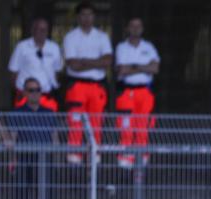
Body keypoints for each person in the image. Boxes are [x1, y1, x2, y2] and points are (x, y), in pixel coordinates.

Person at [62, 1, 112, 164]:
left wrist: (85, 61)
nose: (87, 18)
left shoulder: (102, 36)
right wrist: (96, 62)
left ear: (94, 17)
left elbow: (107, 61)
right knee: (75, 122)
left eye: (90, 15)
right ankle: (74, 159)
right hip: (77, 86)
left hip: (97, 86)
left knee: (96, 123)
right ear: (78, 17)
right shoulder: (70, 37)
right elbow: (73, 65)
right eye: (83, 15)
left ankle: (94, 157)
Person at [8, 78, 59, 199]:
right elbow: (12, 139)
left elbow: (55, 138)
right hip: (24, 161)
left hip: (44, 163)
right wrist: (12, 160)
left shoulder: (49, 113)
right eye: (31, 90)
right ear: (24, 92)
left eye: (37, 90)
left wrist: (56, 161)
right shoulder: (16, 113)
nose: (34, 93)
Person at [114, 17, 160, 168]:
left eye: (138, 25)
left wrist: (133, 66)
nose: (135, 28)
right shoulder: (122, 47)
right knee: (126, 128)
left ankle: (141, 164)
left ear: (142, 28)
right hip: (127, 92)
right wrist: (143, 67)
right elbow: (122, 70)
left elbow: (155, 68)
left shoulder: (149, 47)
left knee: (143, 129)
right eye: (132, 25)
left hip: (145, 92)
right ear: (127, 28)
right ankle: (125, 164)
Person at [8, 17, 62, 112]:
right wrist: (19, 91)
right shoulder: (22, 46)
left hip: (46, 95)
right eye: (39, 29)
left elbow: (57, 72)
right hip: (25, 96)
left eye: (45, 29)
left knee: (48, 124)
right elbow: (13, 72)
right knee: (21, 124)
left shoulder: (54, 47)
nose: (42, 32)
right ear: (33, 30)